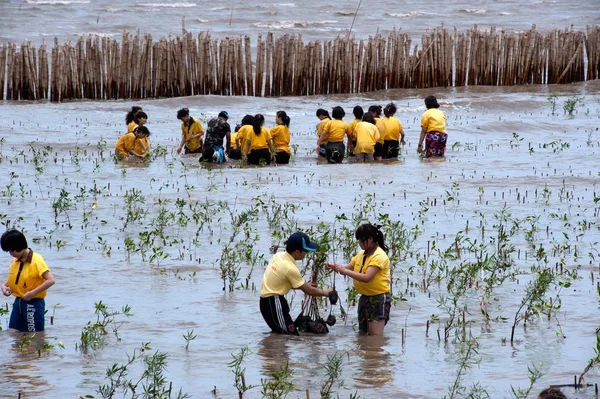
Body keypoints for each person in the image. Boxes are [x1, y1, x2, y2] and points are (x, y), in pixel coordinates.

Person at [260, 232, 333, 335]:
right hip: (273, 303)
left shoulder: (279, 256)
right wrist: (327, 293)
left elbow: (281, 280)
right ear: (297, 252)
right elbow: (308, 290)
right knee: (290, 335)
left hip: (268, 301)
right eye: (306, 251)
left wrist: (305, 285)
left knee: (280, 334)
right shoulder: (290, 268)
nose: (306, 253)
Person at [326, 223, 391, 335]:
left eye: (362, 241)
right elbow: (348, 268)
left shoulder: (379, 256)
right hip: (364, 298)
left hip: (378, 299)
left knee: (375, 336)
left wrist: (345, 271)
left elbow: (367, 278)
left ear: (370, 239)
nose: (360, 244)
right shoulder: (361, 254)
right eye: (359, 241)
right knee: (363, 333)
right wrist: (335, 267)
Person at [1, 229, 56, 332]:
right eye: (8, 251)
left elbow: (51, 280)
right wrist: (4, 286)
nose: (10, 253)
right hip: (19, 302)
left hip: (33, 303)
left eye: (12, 250)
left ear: (19, 246)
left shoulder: (36, 260)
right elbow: (15, 277)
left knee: (34, 335)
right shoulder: (16, 260)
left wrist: (32, 293)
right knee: (13, 332)